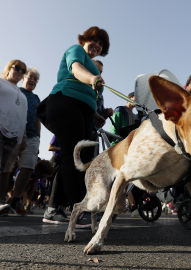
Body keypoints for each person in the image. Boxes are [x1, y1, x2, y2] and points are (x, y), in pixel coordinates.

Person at [42, 26, 110, 224]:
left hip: (83, 112)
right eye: (94, 40)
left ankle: (62, 208)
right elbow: (75, 69)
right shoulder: (77, 51)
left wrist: (96, 114)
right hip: (66, 102)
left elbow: (88, 95)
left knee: (82, 160)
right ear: (84, 39)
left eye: (101, 44)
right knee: (73, 156)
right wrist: (92, 78)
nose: (96, 45)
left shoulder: (93, 66)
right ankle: (68, 209)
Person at [7, 68, 41, 215]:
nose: (32, 80)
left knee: (27, 169)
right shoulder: (15, 91)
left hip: (33, 137)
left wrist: (38, 138)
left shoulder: (37, 98)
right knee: (6, 167)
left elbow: (38, 119)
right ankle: (3, 198)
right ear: (23, 78)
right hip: (14, 134)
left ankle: (15, 200)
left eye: (36, 79)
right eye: (30, 77)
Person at [0, 60, 28, 213]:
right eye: (17, 68)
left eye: (23, 71)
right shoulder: (1, 83)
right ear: (9, 68)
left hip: (13, 137)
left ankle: (1, 200)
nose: (19, 72)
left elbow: (23, 118)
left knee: (6, 171)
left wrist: (22, 137)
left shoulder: (22, 96)